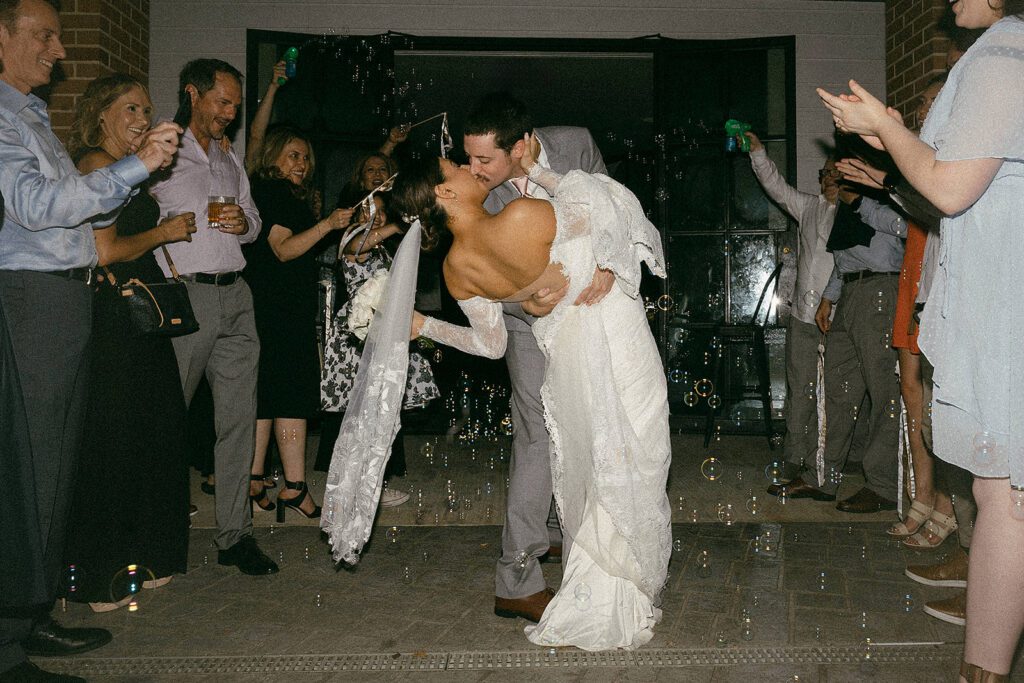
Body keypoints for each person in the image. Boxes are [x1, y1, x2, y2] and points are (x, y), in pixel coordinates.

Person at [380, 137, 671, 650]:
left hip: (566, 361)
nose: (473, 170)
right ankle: (621, 584)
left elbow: (490, 345)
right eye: (459, 166)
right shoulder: (522, 215)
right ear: (445, 192)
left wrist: (424, 325)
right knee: (637, 444)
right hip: (611, 333)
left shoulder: (455, 269)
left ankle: (606, 581)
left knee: (592, 454)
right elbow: (609, 215)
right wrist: (546, 173)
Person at [819, 0, 1024, 677]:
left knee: (1007, 499)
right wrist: (890, 149)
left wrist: (884, 126)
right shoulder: (996, 51)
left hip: (1006, 305)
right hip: (998, 300)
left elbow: (949, 188)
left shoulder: (1001, 54)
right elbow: (932, 196)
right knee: (1005, 494)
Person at [0, 0, 180, 677]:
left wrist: (135, 167)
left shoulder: (31, 114)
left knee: (55, 465)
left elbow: (79, 207)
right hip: (33, 300)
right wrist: (133, 171)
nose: (58, 51)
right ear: (1, 35)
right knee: (31, 469)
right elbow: (40, 209)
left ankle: (32, 615)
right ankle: (10, 637)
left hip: (66, 296)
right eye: (44, 36)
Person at [462, 92, 613, 624]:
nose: (473, 170)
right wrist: (525, 299)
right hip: (524, 322)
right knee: (538, 436)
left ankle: (558, 533)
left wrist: (610, 268)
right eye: (469, 157)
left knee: (591, 430)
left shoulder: (575, 144)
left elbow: (615, 211)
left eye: (486, 160)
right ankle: (517, 580)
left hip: (590, 315)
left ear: (523, 146)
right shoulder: (475, 187)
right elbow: (474, 273)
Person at [60, 74, 196, 612]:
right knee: (113, 439)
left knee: (154, 432)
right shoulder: (96, 164)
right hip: (112, 321)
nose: (142, 117)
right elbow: (105, 251)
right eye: (131, 108)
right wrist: (163, 234)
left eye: (146, 108)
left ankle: (148, 555)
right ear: (100, 113)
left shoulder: (129, 172)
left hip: (142, 317)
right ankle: (97, 574)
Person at [150, 58, 278, 576]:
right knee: (167, 418)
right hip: (186, 294)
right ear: (193, 94)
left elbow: (252, 223)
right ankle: (155, 534)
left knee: (238, 422)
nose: (230, 113)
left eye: (235, 105)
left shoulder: (228, 156)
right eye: (222, 102)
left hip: (236, 296)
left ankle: (234, 537)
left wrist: (243, 221)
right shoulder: (161, 148)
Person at [773, 175, 907, 513]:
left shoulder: (886, 195)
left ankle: (883, 485)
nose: (830, 178)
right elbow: (846, 258)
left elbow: (904, 227)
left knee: (884, 393)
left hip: (881, 291)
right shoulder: (845, 212)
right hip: (849, 292)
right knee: (835, 391)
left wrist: (861, 202)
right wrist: (829, 297)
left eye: (837, 172)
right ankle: (823, 478)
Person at [244, 125, 355, 521]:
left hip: (269, 306)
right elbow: (284, 250)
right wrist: (326, 225)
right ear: (273, 155)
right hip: (279, 311)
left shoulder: (269, 193)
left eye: (305, 157)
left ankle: (254, 479)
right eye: (293, 155)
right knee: (290, 394)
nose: (302, 164)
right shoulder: (275, 194)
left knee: (267, 394)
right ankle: (293, 486)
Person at [319, 192, 440, 506]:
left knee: (379, 410)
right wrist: (400, 225)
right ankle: (364, 486)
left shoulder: (382, 246)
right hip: (360, 335)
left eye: (385, 212)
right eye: (373, 209)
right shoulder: (354, 238)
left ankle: (372, 483)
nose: (380, 216)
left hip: (383, 329)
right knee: (364, 412)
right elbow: (355, 248)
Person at [742, 131, 836, 489]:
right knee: (800, 389)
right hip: (803, 316)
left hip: (836, 317)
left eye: (835, 174)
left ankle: (829, 462)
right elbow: (777, 187)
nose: (829, 179)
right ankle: (796, 459)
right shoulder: (808, 207)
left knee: (835, 394)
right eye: (824, 174)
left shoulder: (853, 211)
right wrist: (758, 153)